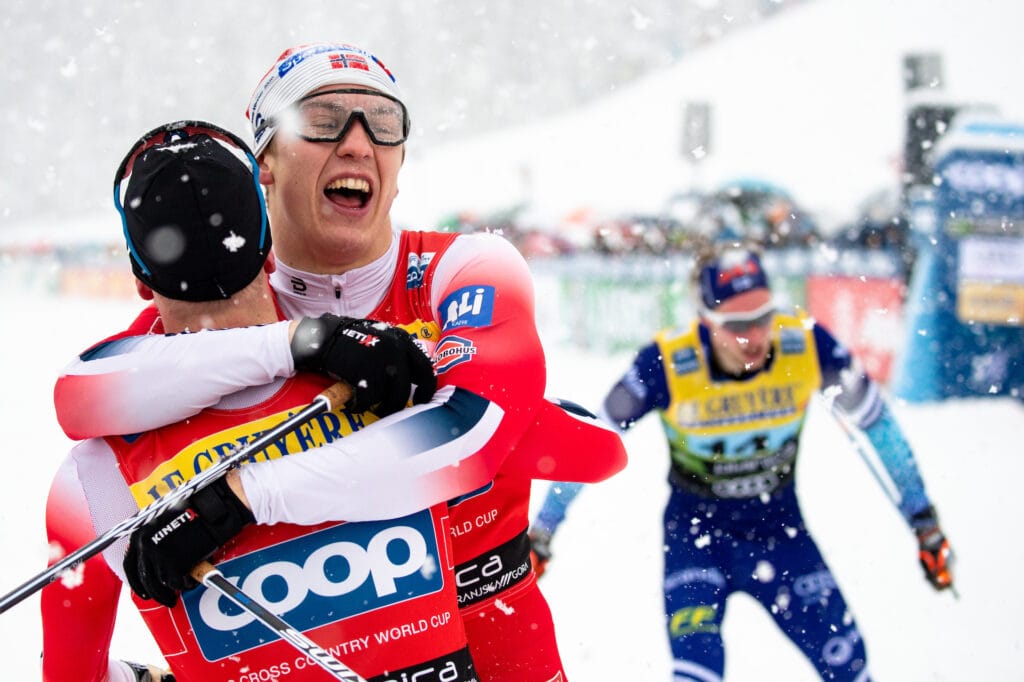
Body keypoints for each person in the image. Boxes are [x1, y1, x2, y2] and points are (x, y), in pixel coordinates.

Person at [52, 43, 627, 681]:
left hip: (499, 632)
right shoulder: (226, 301)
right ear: (263, 163)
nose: (357, 144)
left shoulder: (462, 270)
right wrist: (305, 341)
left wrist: (240, 497)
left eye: (383, 124)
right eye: (323, 120)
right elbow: (81, 393)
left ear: (401, 162)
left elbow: (507, 437)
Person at [43, 120, 506, 681]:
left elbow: (69, 674)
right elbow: (584, 450)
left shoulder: (88, 481)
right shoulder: (393, 372)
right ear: (269, 250)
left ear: (141, 279)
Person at [529, 243, 955, 681]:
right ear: (706, 320)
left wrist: (923, 519)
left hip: (780, 532)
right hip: (697, 538)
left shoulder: (806, 345)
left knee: (849, 665)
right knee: (697, 672)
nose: (753, 336)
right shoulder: (667, 362)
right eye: (735, 325)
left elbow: (879, 428)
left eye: (761, 317)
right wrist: (543, 529)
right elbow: (590, 442)